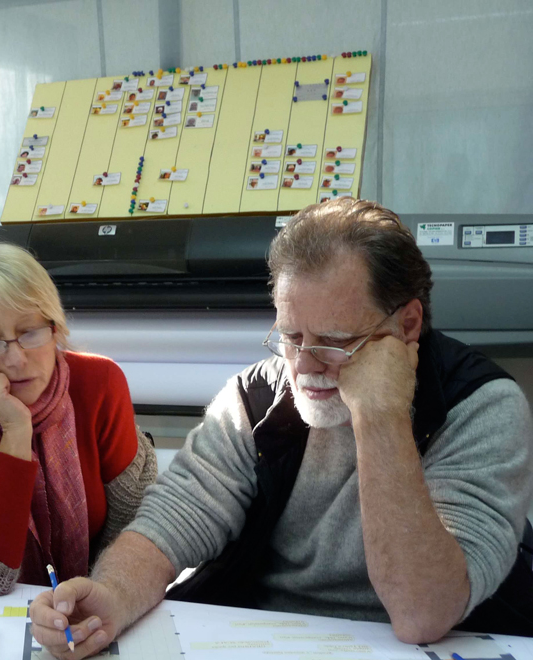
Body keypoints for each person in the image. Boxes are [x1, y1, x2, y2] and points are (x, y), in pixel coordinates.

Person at [30, 198, 533, 653]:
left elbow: (423, 612)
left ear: (406, 326)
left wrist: (380, 416)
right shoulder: (256, 398)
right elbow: (173, 520)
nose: (305, 367)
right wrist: (111, 596)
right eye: (291, 336)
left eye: (335, 341)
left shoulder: (479, 408)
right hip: (269, 634)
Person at [0, 238, 157, 596]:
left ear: (55, 328)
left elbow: (135, 531)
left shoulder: (100, 384)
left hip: (81, 598)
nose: (16, 359)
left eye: (30, 332)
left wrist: (94, 598)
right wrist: (15, 429)